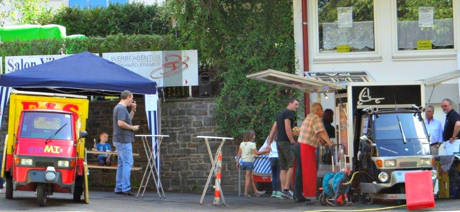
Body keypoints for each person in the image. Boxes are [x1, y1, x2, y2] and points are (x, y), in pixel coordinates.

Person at [298, 103, 333, 199]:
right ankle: (310, 194)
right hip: (308, 145)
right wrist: (329, 142)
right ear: (317, 110)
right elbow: (321, 132)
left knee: (307, 170)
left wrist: (322, 142)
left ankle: (307, 192)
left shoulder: (309, 116)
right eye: (321, 110)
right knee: (310, 170)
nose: (322, 112)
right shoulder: (316, 118)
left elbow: (317, 133)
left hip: (303, 144)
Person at [267, 98, 299, 199]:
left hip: (278, 142)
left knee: (283, 166)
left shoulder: (280, 113)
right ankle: (286, 189)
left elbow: (273, 128)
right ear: (290, 103)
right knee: (290, 165)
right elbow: (287, 127)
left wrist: (269, 141)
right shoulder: (289, 113)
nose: (297, 107)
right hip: (286, 142)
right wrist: (292, 140)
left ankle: (283, 191)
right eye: (296, 104)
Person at [113, 90, 139, 196]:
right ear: (128, 97)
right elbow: (121, 123)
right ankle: (125, 188)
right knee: (128, 163)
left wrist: (133, 110)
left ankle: (119, 187)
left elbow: (126, 120)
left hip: (119, 139)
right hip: (123, 140)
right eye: (131, 99)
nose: (132, 101)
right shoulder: (121, 108)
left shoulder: (120, 108)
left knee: (122, 164)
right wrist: (132, 128)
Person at [236, 130, 267, 198]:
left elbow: (239, 154)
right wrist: (266, 151)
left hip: (243, 163)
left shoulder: (242, 143)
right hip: (249, 163)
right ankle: (246, 193)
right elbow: (256, 153)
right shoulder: (252, 144)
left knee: (250, 177)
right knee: (248, 178)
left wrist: (237, 162)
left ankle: (256, 191)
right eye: (254, 135)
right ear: (251, 137)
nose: (255, 136)